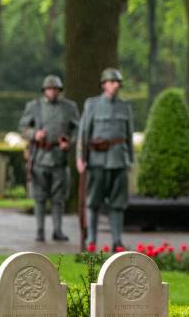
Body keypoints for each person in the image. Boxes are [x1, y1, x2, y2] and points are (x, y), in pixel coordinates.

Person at [75, 67, 134, 251]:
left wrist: (130, 160)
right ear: (104, 84)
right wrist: (80, 158)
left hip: (119, 160)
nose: (116, 85)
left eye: (118, 82)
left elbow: (129, 136)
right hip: (97, 160)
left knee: (118, 203)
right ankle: (92, 240)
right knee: (93, 202)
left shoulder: (125, 107)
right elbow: (83, 133)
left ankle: (117, 241)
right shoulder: (92, 105)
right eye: (113, 82)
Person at [19, 74, 80, 242]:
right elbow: (23, 127)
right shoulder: (34, 106)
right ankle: (39, 230)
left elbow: (77, 129)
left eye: (55, 89)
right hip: (39, 157)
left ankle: (58, 230)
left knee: (58, 198)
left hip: (59, 158)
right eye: (49, 89)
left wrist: (69, 142)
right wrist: (34, 134)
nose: (52, 92)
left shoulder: (69, 107)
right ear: (44, 90)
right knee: (39, 197)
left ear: (59, 90)